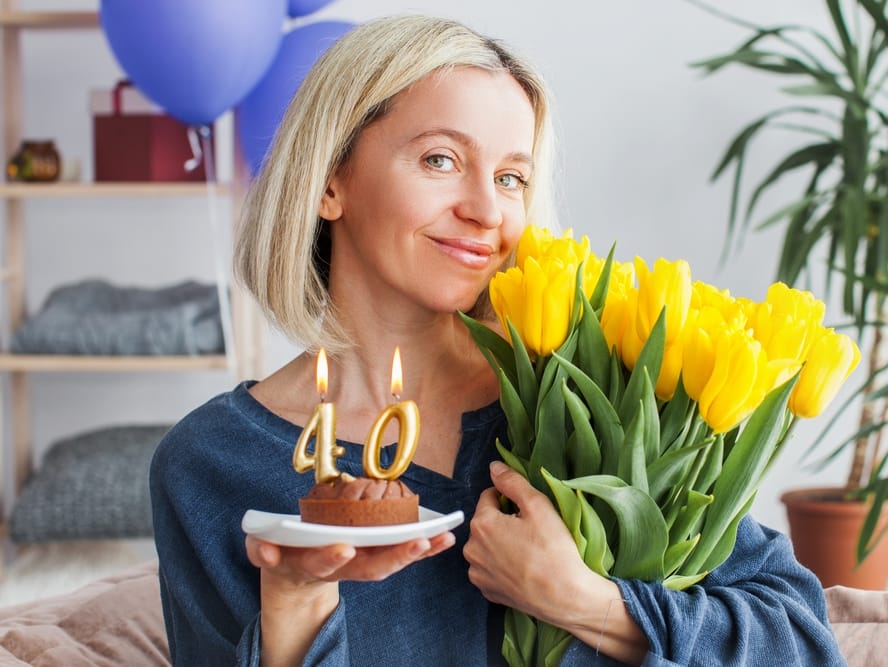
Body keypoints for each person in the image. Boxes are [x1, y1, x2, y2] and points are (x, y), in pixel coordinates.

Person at [150, 14, 846, 667]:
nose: (487, 210)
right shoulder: (210, 463)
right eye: (441, 160)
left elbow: (802, 640)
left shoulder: (588, 406)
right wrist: (297, 595)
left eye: (511, 176)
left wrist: (591, 603)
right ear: (331, 180)